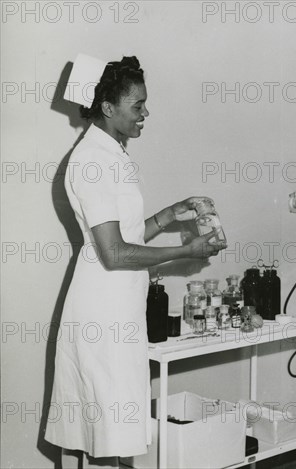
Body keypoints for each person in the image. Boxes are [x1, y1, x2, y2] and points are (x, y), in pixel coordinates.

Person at [45, 54, 226, 468]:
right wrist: (186, 250)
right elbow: (113, 252)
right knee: (104, 429)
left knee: (114, 429)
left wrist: (169, 214)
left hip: (120, 308)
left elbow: (127, 235)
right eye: (137, 105)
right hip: (101, 310)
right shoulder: (91, 161)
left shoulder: (112, 154)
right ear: (108, 108)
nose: (146, 113)